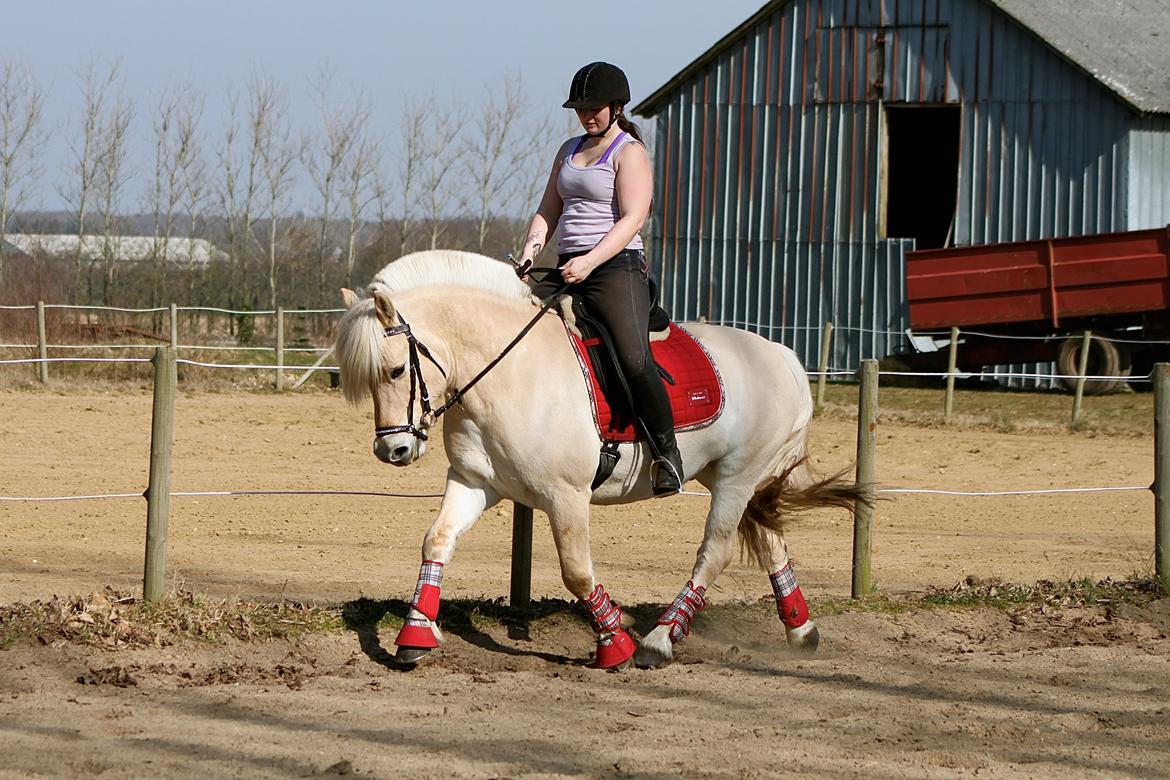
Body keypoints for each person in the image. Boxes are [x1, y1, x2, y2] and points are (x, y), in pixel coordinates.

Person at [517, 61, 683, 496]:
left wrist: (590, 261)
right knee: (518, 330)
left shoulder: (629, 152)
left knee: (632, 357)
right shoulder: (568, 149)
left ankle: (667, 455)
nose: (587, 115)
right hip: (570, 264)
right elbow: (548, 209)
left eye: (594, 108)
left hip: (616, 266)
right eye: (581, 108)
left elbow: (633, 218)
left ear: (616, 106)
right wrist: (530, 251)